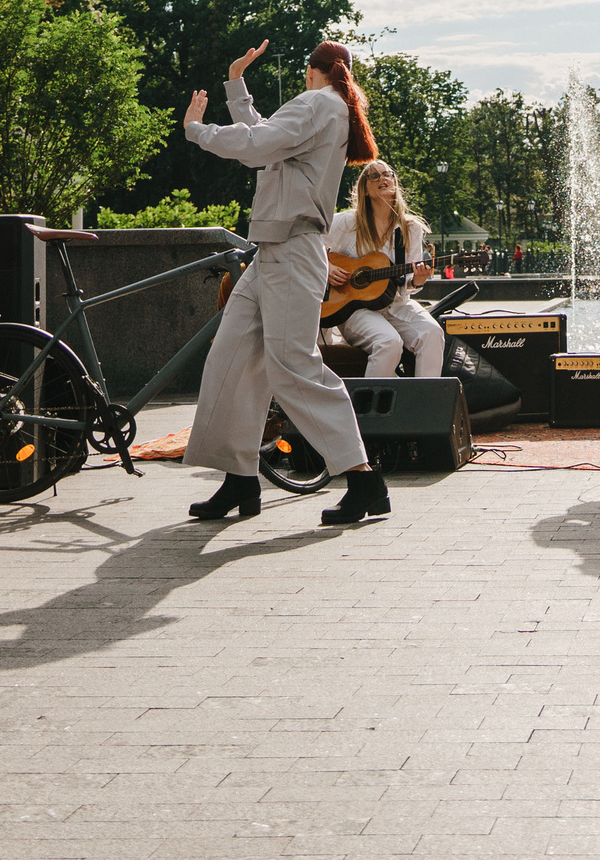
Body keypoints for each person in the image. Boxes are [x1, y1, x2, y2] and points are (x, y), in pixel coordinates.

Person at [181, 40, 392, 527]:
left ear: (310, 71)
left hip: (293, 253)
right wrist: (237, 86)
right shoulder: (329, 106)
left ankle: (363, 481)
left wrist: (197, 131)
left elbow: (256, 146)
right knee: (232, 357)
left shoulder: (319, 103)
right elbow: (267, 142)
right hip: (277, 252)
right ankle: (240, 480)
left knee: (294, 368)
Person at [325, 159, 445, 382]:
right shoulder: (346, 222)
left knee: (432, 333)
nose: (383, 178)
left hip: (395, 304)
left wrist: (417, 280)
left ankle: (424, 409)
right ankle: (368, 412)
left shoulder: (410, 228)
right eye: (375, 176)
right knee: (388, 343)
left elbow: (410, 283)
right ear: (365, 189)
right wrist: (327, 267)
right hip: (353, 309)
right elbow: (308, 241)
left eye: (388, 174)